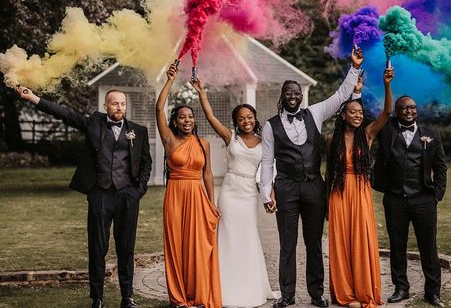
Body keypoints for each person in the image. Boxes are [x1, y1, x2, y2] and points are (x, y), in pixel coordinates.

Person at [15, 85, 152, 308]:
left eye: (123, 103)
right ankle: (97, 298)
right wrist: (33, 98)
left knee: (126, 248)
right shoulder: (93, 124)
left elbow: (146, 162)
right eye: (115, 103)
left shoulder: (139, 130)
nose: (119, 107)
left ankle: (127, 297)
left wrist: (139, 190)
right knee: (97, 247)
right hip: (100, 193)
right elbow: (64, 114)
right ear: (105, 105)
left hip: (128, 196)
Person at [261, 48, 364, 308]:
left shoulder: (315, 113)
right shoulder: (270, 125)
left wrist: (353, 67)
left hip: (313, 188)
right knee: (287, 244)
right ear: (282, 96)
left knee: (314, 242)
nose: (293, 96)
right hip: (285, 187)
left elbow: (341, 95)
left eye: (297, 92)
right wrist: (266, 192)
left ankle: (316, 293)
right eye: (289, 92)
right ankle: (287, 295)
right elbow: (267, 161)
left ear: (301, 94)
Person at [191, 78, 278, 307]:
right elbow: (210, 117)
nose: (246, 121)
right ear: (236, 122)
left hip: (249, 194)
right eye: (241, 118)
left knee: (247, 238)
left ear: (255, 119)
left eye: (249, 117)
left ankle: (249, 287)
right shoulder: (231, 137)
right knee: (227, 238)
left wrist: (270, 197)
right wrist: (202, 92)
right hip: (229, 193)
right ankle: (224, 288)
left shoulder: (265, 142)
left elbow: (268, 172)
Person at [372, 85, 447, 308]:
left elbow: (441, 167)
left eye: (412, 108)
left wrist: (437, 194)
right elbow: (380, 114)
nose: (409, 112)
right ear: (396, 111)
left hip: (424, 198)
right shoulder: (386, 130)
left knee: (428, 246)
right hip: (395, 199)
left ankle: (432, 293)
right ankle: (401, 288)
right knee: (397, 245)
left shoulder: (431, 135)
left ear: (417, 110)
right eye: (404, 109)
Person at [325, 66, 394, 308]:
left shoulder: (368, 134)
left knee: (361, 240)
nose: (358, 115)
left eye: (360, 112)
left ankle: (364, 291)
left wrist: (386, 84)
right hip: (339, 193)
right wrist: (325, 202)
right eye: (353, 112)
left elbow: (387, 111)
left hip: (361, 191)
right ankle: (345, 294)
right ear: (343, 115)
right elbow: (330, 172)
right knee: (342, 242)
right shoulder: (332, 140)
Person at [155, 63, 221, 308]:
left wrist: (212, 205)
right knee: (177, 246)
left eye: (190, 117)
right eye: (182, 117)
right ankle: (179, 298)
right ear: (174, 121)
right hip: (175, 195)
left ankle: (197, 293)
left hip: (198, 197)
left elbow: (208, 175)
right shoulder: (169, 140)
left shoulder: (203, 143)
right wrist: (170, 79)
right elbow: (158, 108)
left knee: (198, 248)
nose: (187, 120)